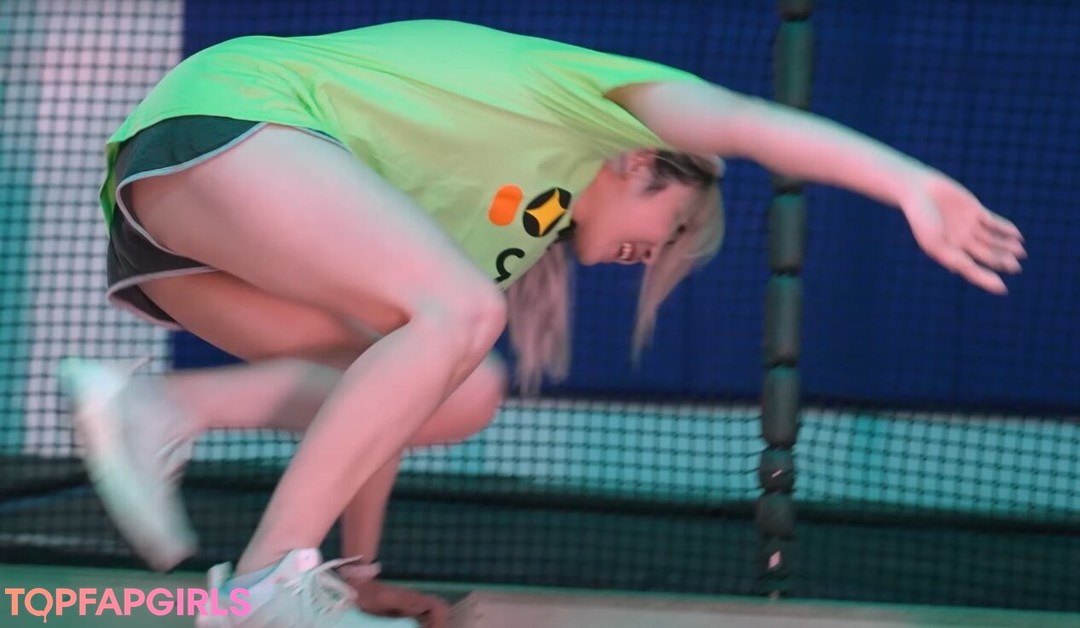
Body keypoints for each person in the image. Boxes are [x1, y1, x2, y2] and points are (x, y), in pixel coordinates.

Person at [58, 18, 1025, 628]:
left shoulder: (501, 235)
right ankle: (262, 584)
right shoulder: (603, 105)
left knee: (461, 387)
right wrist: (909, 181)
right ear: (645, 161)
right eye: (674, 226)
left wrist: (357, 571)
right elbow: (742, 120)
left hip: (178, 229)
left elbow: (381, 400)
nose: (656, 252)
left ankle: (166, 411)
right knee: (459, 319)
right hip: (228, 125)